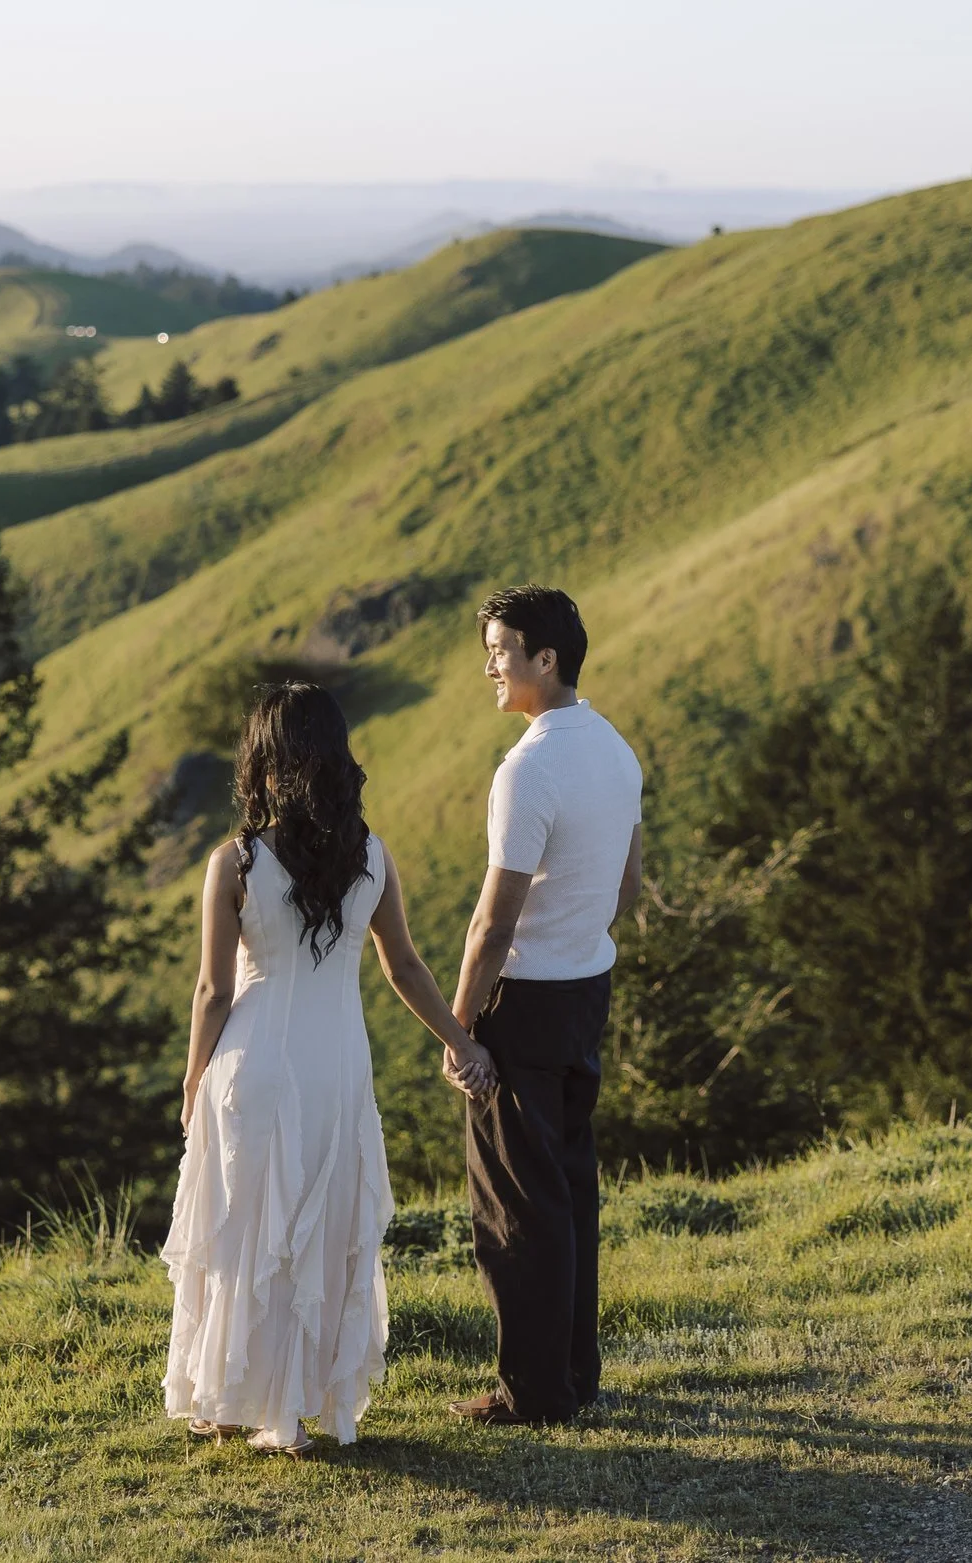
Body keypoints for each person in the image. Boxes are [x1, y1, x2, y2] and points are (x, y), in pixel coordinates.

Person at [161, 681, 496, 1455]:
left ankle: (230, 1394)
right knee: (318, 1232)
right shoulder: (372, 855)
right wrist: (460, 1040)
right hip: (340, 1062)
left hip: (253, 1063)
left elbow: (213, 989)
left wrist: (191, 1081)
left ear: (266, 759)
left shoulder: (236, 861)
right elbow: (405, 965)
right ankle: (300, 1401)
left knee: (245, 1227)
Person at [447, 585, 642, 1426]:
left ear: (544, 659)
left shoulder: (528, 769)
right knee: (567, 1188)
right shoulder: (617, 750)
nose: (489, 665)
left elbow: (492, 923)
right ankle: (572, 1373)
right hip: (586, 989)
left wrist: (458, 1028)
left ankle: (534, 1393)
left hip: (522, 1001)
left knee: (517, 1206)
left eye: (500, 649)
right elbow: (629, 888)